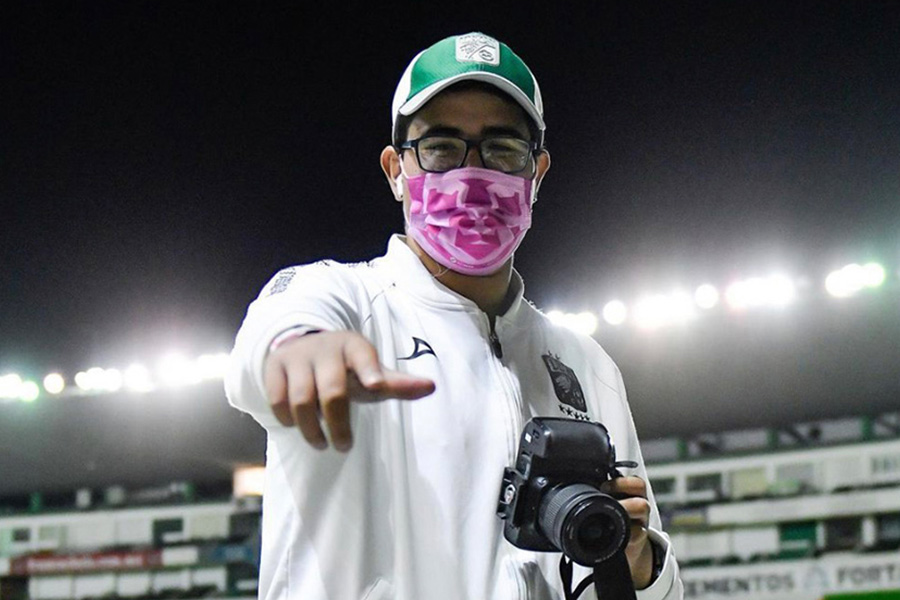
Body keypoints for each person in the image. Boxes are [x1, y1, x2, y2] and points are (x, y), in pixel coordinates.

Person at [226, 32, 683, 600]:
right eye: (441, 147)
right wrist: (296, 348)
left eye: (502, 148)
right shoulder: (342, 301)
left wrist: (635, 562)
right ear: (396, 169)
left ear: (536, 173)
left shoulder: (586, 364)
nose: (472, 174)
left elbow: (652, 589)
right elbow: (266, 345)